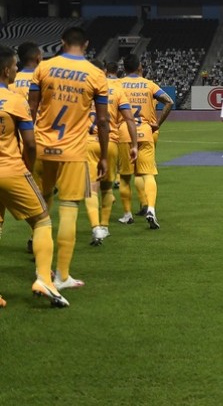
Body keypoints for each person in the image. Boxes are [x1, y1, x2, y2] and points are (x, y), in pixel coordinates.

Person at [28, 26, 109, 291]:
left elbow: (31, 110)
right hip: (73, 152)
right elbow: (104, 121)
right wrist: (104, 157)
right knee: (69, 209)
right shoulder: (96, 75)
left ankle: (42, 270)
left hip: (41, 147)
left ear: (62, 42)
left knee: (42, 213)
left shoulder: (44, 68)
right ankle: (62, 276)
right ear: (86, 44)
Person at [0, 45, 69, 308]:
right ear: (7, 70)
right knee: (41, 220)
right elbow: (29, 143)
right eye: (14, 65)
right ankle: (43, 279)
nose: (17, 69)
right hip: (10, 170)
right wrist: (27, 167)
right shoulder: (15, 100)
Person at [86, 61, 138, 244]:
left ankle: (95, 227)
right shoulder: (116, 90)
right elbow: (129, 119)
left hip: (86, 143)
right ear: (105, 71)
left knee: (92, 188)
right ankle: (105, 226)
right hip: (110, 143)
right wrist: (133, 145)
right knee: (107, 187)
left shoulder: (81, 90)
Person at [119, 54, 173, 230]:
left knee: (126, 176)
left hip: (125, 133)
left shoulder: (117, 84)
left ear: (125, 68)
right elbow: (169, 102)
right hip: (146, 132)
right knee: (148, 173)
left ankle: (127, 215)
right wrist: (157, 123)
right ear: (140, 67)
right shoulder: (150, 85)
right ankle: (151, 209)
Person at [10, 41, 43, 254]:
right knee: (39, 201)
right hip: (36, 141)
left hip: (11, 144)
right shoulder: (43, 79)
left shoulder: (9, 83)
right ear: (38, 57)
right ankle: (37, 239)